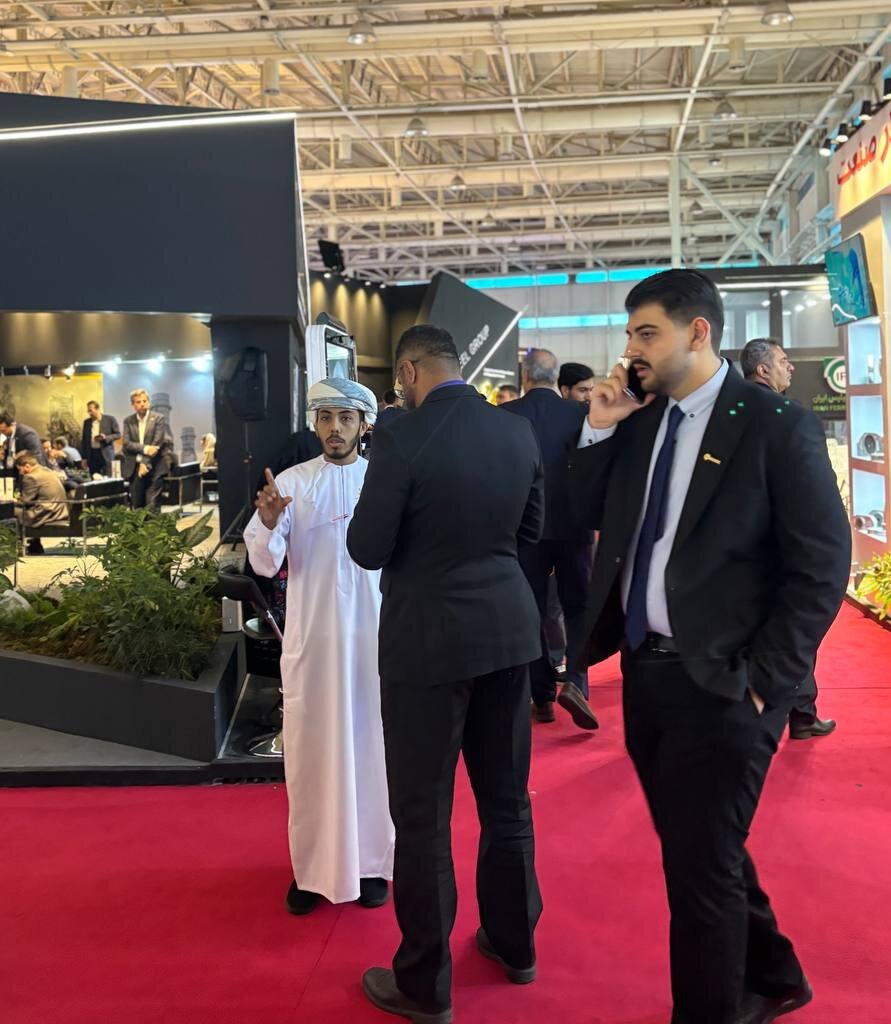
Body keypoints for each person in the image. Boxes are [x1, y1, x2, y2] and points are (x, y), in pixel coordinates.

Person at [571, 270, 850, 1024]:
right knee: (700, 847)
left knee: (699, 870)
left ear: (698, 333)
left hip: (728, 683)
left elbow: (822, 564)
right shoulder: (640, 422)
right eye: (630, 334)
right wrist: (600, 425)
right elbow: (578, 515)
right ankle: (775, 974)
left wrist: (766, 682)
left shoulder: (773, 424)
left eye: (647, 333)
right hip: (646, 673)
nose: (632, 350)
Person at [347, 324, 544, 1024]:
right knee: (508, 799)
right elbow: (530, 532)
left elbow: (367, 547)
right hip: (508, 632)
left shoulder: (400, 435)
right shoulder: (516, 430)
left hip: (427, 643)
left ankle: (426, 986)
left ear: (409, 371)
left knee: (424, 816)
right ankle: (516, 945)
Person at [244, 379, 394, 915]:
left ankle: (371, 865)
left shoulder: (385, 481)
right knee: (312, 756)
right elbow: (264, 563)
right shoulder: (291, 484)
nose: (335, 428)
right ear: (314, 424)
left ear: (363, 425)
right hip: (313, 642)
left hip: (373, 641)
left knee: (374, 751)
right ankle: (312, 871)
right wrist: (267, 523)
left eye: (345, 418)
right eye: (326, 417)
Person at [740, 338, 837, 743]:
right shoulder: (789, 417)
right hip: (784, 545)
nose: (791, 367)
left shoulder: (728, 414)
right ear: (763, 369)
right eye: (783, 361)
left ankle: (800, 711)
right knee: (793, 629)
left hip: (741, 550)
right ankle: (790, 714)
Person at [502, 348, 598, 730]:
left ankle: (541, 695)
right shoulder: (580, 414)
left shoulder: (507, 415)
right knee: (578, 607)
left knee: (533, 610)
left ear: (524, 376)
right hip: (575, 526)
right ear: (556, 377)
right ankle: (576, 681)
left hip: (525, 529)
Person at [121, 389, 174, 511]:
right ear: (133, 405)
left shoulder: (159, 418)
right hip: (134, 469)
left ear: (149, 403)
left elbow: (157, 443)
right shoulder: (128, 421)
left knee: (152, 506)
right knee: (137, 507)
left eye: (144, 401)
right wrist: (145, 448)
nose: (142, 404)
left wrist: (144, 463)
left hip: (155, 468)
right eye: (138, 402)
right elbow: (127, 444)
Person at [13, 451, 68, 554]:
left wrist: (12, 500)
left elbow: (26, 501)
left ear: (27, 466)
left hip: (46, 512)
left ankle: (16, 547)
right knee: (21, 511)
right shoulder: (46, 470)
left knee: (10, 510)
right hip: (59, 510)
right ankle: (35, 546)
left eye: (20, 469)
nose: (20, 473)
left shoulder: (31, 477)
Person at [81, 401, 121, 478]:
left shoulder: (110, 419)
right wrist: (84, 458)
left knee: (108, 478)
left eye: (90, 410)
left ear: (98, 409)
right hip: (92, 455)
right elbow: (84, 441)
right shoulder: (87, 422)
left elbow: (118, 434)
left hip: (106, 454)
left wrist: (106, 438)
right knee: (94, 478)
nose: (89, 413)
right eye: (88, 411)